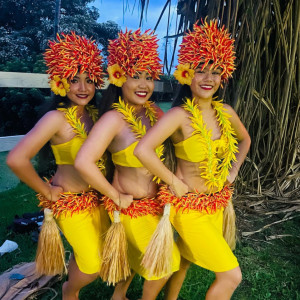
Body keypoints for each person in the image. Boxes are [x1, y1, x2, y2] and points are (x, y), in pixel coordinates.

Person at [134, 20, 251, 300]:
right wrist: (173, 181)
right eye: (200, 70)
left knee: (184, 261)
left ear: (224, 76)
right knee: (232, 275)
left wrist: (232, 172)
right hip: (188, 209)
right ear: (187, 73)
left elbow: (245, 141)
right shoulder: (178, 116)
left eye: (215, 72)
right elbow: (143, 150)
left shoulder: (226, 112)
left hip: (215, 205)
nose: (208, 78)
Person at [75, 29, 181, 300]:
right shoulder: (113, 120)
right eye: (135, 76)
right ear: (119, 77)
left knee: (140, 256)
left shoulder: (154, 113)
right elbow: (83, 162)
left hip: (156, 204)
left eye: (148, 76)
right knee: (164, 265)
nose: (144, 84)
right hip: (130, 208)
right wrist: (114, 195)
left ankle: (119, 295)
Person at [6, 32, 110, 300]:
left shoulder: (95, 115)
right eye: (74, 80)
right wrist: (46, 190)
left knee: (88, 252)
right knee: (93, 265)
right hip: (71, 204)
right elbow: (16, 158)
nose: (83, 87)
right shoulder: (56, 118)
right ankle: (69, 291)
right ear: (61, 82)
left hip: (97, 199)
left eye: (89, 80)